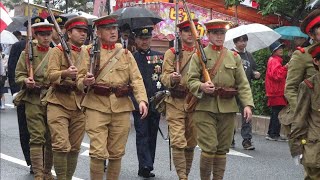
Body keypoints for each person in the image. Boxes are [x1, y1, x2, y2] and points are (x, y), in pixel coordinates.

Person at [81, 15, 148, 179]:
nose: (113, 32)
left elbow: (137, 79)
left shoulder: (125, 53)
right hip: (96, 104)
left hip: (121, 106)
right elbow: (78, 79)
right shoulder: (88, 51)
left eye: (115, 28)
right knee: (97, 152)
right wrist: (84, 81)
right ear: (98, 32)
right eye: (108, 29)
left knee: (116, 153)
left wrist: (142, 100)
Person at [187, 19, 254, 180]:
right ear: (208, 35)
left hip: (228, 107)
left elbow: (243, 83)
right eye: (215, 33)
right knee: (209, 148)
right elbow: (190, 80)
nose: (219, 36)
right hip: (205, 107)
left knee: (222, 149)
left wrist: (247, 105)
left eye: (222, 33)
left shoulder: (234, 57)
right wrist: (202, 86)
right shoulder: (198, 55)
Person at [46, 17, 90, 180]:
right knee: (61, 145)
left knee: (75, 148)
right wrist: (64, 73)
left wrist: (85, 81)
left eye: (85, 31)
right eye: (79, 31)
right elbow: (49, 75)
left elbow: (85, 76)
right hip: (58, 102)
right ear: (69, 33)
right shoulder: (57, 51)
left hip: (79, 103)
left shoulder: (86, 52)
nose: (83, 34)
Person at [15, 22, 55, 180]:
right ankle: (38, 173)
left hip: (52, 98)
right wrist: (26, 80)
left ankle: (47, 171)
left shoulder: (55, 53)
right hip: (33, 98)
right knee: (37, 137)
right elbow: (18, 75)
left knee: (51, 137)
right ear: (36, 36)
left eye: (48, 34)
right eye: (42, 34)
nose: (46, 37)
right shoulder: (27, 53)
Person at [7, 16, 45, 174]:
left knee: (44, 130)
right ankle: (32, 161)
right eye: (32, 28)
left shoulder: (48, 47)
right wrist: (17, 92)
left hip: (43, 95)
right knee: (25, 130)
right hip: (24, 93)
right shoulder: (19, 46)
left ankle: (44, 162)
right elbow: (12, 69)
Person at [161, 19, 197, 179]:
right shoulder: (172, 53)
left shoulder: (201, 53)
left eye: (192, 30)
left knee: (191, 143)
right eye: (186, 31)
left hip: (194, 101)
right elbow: (164, 76)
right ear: (180, 34)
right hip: (175, 101)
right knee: (177, 141)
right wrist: (172, 78)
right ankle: (182, 177)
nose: (190, 34)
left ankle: (186, 174)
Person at [131, 25, 164, 178]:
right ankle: (145, 164)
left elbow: (162, 80)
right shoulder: (131, 57)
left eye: (147, 38)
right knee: (142, 133)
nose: (144, 41)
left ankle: (147, 166)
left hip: (155, 102)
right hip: (139, 103)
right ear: (136, 40)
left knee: (152, 134)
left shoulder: (159, 57)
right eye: (141, 38)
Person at [284, 9, 320, 136]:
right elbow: (290, 89)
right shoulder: (302, 56)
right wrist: (301, 114)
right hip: (309, 120)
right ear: (312, 35)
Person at [289, 42, 320, 180]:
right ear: (316, 61)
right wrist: (296, 149)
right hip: (316, 147)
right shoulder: (309, 86)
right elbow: (299, 119)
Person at [230, 34, 260, 150]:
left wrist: (255, 74)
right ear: (235, 42)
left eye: (244, 41)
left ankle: (247, 140)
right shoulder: (230, 54)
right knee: (230, 115)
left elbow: (253, 70)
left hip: (245, 89)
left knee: (247, 115)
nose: (243, 43)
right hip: (232, 89)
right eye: (240, 41)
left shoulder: (249, 56)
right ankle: (229, 138)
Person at [265, 41, 288, 141]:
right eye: (279, 49)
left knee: (276, 112)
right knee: (277, 113)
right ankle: (273, 134)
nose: (281, 50)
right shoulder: (275, 61)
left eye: (281, 48)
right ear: (274, 51)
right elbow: (277, 75)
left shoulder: (274, 60)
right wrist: (286, 68)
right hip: (276, 91)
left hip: (275, 91)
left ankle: (272, 133)